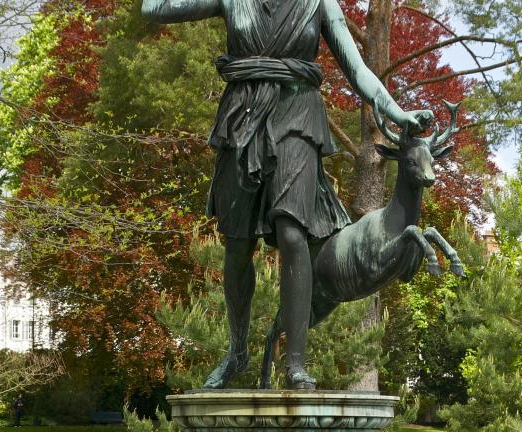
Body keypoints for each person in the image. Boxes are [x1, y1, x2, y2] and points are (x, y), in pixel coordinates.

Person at [142, 0, 433, 389]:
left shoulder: (319, 3)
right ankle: (237, 351)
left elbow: (357, 70)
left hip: (298, 115)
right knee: (237, 245)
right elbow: (155, 9)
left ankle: (295, 363)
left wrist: (398, 113)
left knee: (293, 232)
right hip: (242, 119)